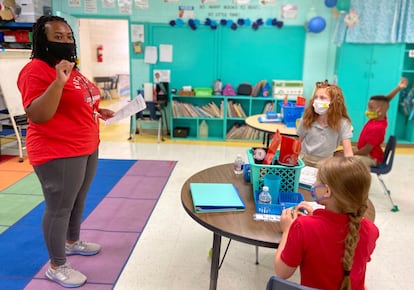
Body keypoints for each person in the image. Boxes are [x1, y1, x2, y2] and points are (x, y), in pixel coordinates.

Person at [17, 16, 114, 288]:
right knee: (59, 208)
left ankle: (72, 242)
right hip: (58, 151)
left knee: (78, 199)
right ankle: (57, 265)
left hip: (86, 145)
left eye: (68, 36)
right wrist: (58, 81)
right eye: (57, 36)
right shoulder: (35, 70)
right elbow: (38, 115)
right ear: (42, 40)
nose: (65, 41)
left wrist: (96, 110)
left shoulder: (71, 68)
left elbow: (76, 101)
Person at [274, 157, 379, 290]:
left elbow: (282, 272)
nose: (313, 185)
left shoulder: (302, 227)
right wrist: (315, 220)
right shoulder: (371, 230)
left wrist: (287, 230)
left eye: (317, 180)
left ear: (327, 191)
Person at [296, 80, 353, 167]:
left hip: (326, 162)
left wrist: (351, 168)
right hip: (304, 159)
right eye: (316, 97)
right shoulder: (307, 119)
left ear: (333, 102)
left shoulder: (343, 123)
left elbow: (348, 153)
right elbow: (298, 144)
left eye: (322, 98)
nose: (317, 101)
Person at [353, 77, 408, 166]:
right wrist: (398, 88)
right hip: (364, 152)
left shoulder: (378, 128)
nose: (368, 110)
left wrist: (351, 155)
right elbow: (385, 101)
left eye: (371, 108)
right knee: (339, 153)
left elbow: (367, 149)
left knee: (346, 161)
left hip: (371, 157)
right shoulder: (378, 118)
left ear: (381, 110)